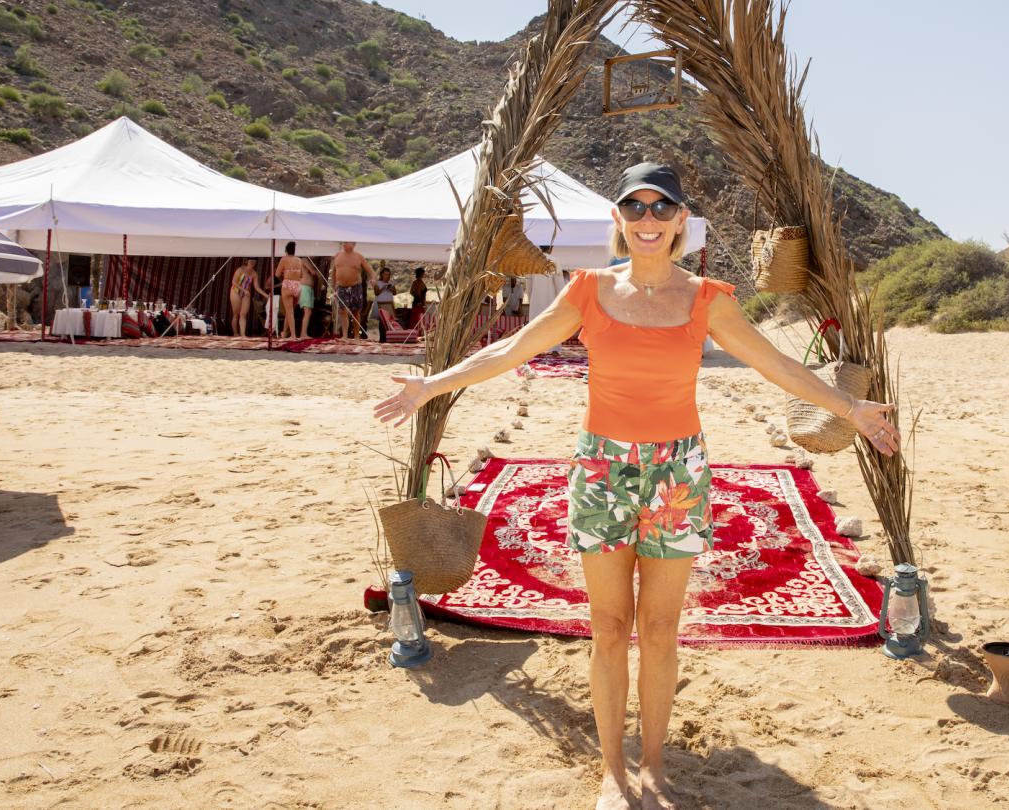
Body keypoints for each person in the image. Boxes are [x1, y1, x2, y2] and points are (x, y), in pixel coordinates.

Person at [375, 163, 901, 809]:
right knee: (606, 624)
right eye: (635, 208)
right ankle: (612, 773)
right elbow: (510, 349)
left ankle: (652, 767)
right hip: (601, 472)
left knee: (658, 628)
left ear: (682, 220)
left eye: (661, 208)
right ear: (618, 220)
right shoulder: (588, 291)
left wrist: (850, 409)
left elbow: (777, 364)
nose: (648, 219)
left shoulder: (710, 298)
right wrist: (430, 385)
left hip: (678, 475)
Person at [330, 242, 375, 339]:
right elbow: (334, 271)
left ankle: (356, 336)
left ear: (353, 244)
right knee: (343, 310)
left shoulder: (358, 256)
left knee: (355, 311)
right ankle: (345, 336)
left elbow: (370, 270)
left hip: (355, 286)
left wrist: (373, 278)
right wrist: (333, 286)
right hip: (341, 287)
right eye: (344, 242)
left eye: (347, 242)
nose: (344, 243)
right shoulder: (337, 255)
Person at [275, 242, 308, 339]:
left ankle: (293, 335)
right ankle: (284, 333)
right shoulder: (299, 260)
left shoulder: (284, 259)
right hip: (297, 285)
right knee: (290, 311)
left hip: (288, 285)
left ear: (286, 250)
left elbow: (277, 274)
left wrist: (285, 275)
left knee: (289, 312)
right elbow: (301, 275)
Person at [228, 258, 267, 337]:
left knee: (243, 314)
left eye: (255, 261)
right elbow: (233, 282)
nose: (253, 262)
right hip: (236, 291)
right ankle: (235, 333)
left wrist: (266, 295)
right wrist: (243, 290)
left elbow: (257, 287)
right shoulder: (240, 269)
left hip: (246, 294)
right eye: (251, 261)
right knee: (236, 314)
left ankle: (243, 334)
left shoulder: (254, 273)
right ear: (247, 261)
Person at [373, 265, 397, 343]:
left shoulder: (391, 283)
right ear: (382, 274)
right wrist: (383, 287)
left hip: (389, 304)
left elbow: (395, 293)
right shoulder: (377, 283)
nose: (387, 276)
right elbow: (376, 293)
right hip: (381, 304)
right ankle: (382, 339)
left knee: (389, 321)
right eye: (386, 274)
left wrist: (392, 288)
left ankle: (389, 338)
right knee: (382, 321)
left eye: (389, 274)